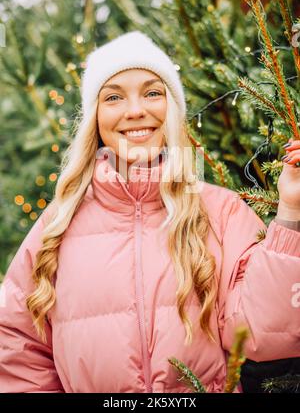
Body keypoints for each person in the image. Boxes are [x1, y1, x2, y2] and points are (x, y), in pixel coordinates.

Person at [0, 31, 299, 394]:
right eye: (113, 97)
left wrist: (291, 210)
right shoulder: (56, 227)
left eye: (153, 92)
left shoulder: (222, 213)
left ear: (172, 108)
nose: (135, 110)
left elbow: (267, 333)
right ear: (95, 116)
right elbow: (17, 349)